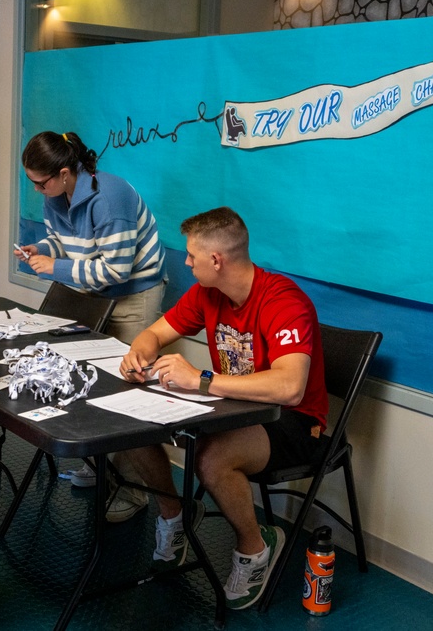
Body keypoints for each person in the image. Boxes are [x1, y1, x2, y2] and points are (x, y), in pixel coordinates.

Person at [117, 206, 329, 610]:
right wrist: (138, 355)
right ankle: (174, 515)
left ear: (217, 260)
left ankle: (255, 547)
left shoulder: (284, 301)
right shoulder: (207, 293)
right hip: (233, 407)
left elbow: (290, 387)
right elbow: (154, 332)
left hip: (293, 423)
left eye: (191, 256)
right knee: (129, 424)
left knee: (212, 461)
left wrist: (200, 380)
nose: (186, 262)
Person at [15, 130, 167, 490]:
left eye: (40, 183)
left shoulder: (110, 197)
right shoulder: (55, 196)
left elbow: (116, 270)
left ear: (65, 173)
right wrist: (40, 248)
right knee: (91, 382)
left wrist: (55, 268)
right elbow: (63, 241)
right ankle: (103, 470)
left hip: (135, 294)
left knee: (131, 395)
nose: (37, 190)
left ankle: (132, 490)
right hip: (94, 293)